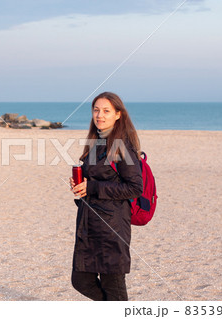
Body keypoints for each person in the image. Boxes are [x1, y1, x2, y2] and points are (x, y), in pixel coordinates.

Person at [69, 92, 143, 301]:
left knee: (114, 289)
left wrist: (92, 187)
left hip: (112, 228)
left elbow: (135, 187)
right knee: (81, 280)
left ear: (118, 114)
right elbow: (96, 180)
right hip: (89, 225)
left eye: (106, 111)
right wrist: (80, 186)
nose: (99, 115)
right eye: (96, 110)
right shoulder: (97, 142)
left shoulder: (122, 145)